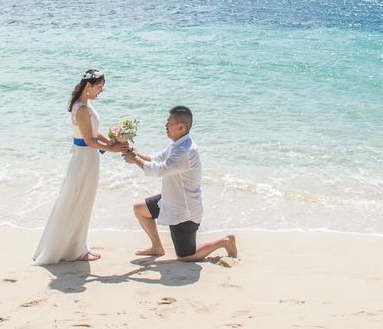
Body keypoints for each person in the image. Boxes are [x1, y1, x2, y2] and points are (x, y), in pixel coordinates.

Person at [33, 69, 129, 264]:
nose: (101, 91)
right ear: (88, 86)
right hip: (85, 158)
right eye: (99, 87)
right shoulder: (82, 109)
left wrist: (114, 141)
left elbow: (95, 132)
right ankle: (76, 250)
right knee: (81, 199)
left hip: (86, 157)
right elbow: (88, 140)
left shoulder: (84, 104)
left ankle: (75, 246)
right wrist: (111, 149)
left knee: (80, 200)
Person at [123, 105, 237, 262]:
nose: (166, 125)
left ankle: (225, 241)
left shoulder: (186, 150)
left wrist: (134, 160)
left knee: (185, 256)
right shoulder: (176, 144)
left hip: (185, 212)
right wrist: (133, 153)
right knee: (139, 209)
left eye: (169, 122)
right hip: (170, 200)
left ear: (181, 126)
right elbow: (156, 158)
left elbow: (159, 170)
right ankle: (157, 247)